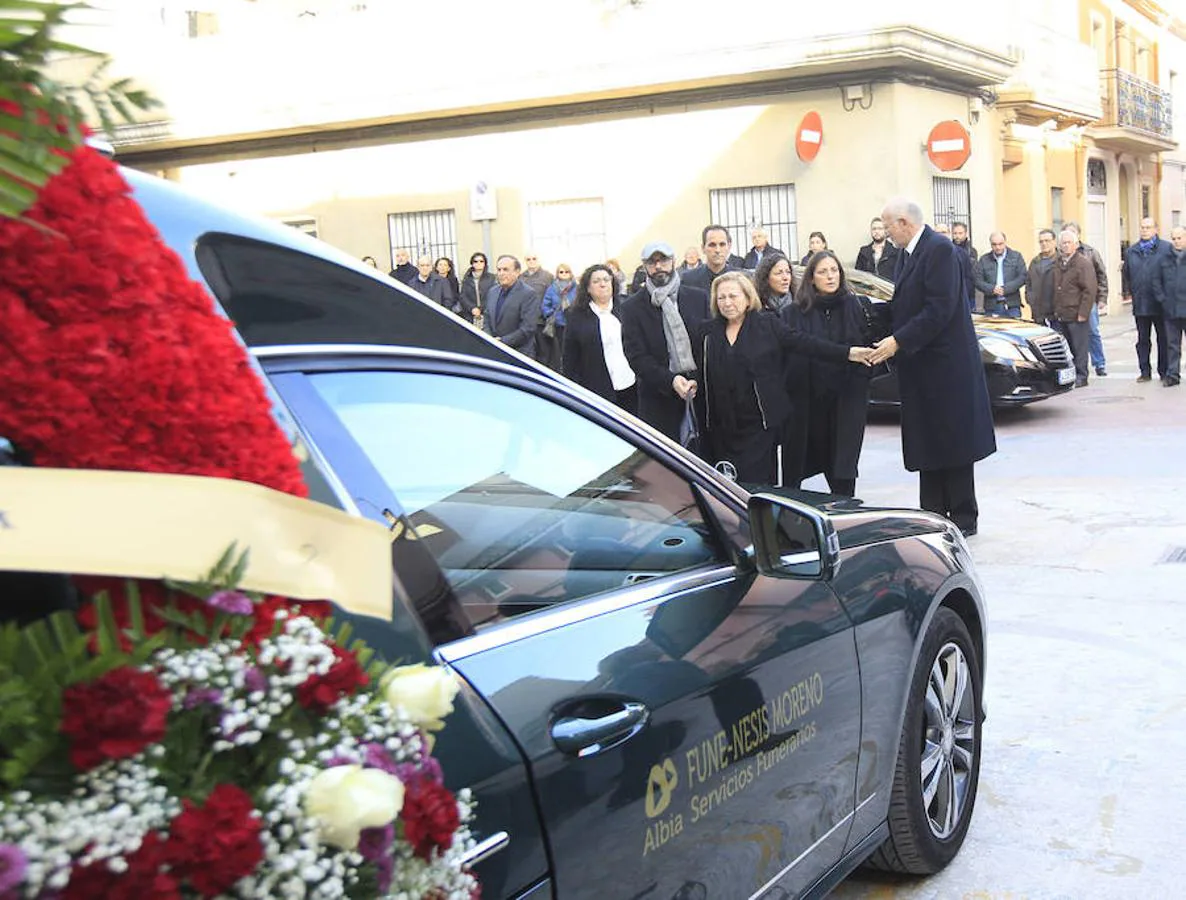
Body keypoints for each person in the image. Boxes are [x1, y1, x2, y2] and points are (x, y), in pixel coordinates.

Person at [868, 198, 996, 538]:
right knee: (929, 442)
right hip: (922, 368)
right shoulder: (908, 255)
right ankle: (934, 513)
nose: (885, 232)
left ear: (904, 223)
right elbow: (904, 305)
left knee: (953, 444)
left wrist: (898, 341)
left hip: (946, 367)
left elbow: (939, 308)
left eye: (888, 225)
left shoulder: (939, 250)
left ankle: (963, 517)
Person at [693, 271, 870, 484]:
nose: (727, 302)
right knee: (725, 488)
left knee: (758, 486)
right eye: (721, 297)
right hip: (721, 428)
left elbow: (805, 343)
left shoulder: (767, 324)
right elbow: (697, 371)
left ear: (748, 298)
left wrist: (847, 353)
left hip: (759, 425)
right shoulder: (706, 332)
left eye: (733, 296)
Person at [781, 251, 873, 496]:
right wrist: (846, 353)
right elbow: (797, 347)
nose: (830, 276)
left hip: (846, 400)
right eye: (822, 271)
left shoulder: (855, 305)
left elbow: (866, 346)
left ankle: (845, 516)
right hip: (808, 400)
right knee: (800, 464)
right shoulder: (794, 312)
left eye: (834, 270)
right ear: (811, 278)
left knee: (843, 467)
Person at [621, 241, 711, 441]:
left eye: (663, 260)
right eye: (652, 262)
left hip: (699, 394)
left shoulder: (699, 298)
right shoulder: (632, 308)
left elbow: (708, 344)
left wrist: (696, 378)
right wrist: (670, 380)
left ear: (673, 261)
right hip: (658, 399)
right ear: (644, 267)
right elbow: (636, 356)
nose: (658, 266)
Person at [562, 264, 638, 414]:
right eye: (596, 281)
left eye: (606, 280)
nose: (602, 284)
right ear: (588, 288)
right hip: (597, 389)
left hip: (631, 386)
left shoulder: (627, 308)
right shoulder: (576, 316)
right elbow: (570, 359)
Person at [1122, 217, 1170, 383]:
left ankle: (1164, 371)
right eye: (1142, 227)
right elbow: (1127, 275)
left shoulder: (1166, 249)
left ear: (1155, 229)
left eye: (1148, 227)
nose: (1144, 230)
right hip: (1141, 303)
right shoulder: (1131, 251)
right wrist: (1133, 292)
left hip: (1161, 304)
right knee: (1143, 340)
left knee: (1163, 339)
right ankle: (1144, 371)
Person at [1051, 229, 1096, 387]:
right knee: (1067, 348)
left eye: (1069, 242)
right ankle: (1069, 376)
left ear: (1076, 245)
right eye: (1063, 243)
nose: (1065, 246)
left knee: (1080, 347)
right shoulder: (1058, 262)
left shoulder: (1083, 263)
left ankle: (1082, 376)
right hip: (1062, 313)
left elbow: (1089, 290)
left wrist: (1083, 313)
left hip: (1077, 313)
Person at [1064, 221, 1108, 376]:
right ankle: (1077, 365)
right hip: (1071, 303)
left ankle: (1099, 363)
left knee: (1092, 331)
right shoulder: (1061, 256)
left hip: (1089, 300)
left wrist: (1102, 297)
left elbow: (1101, 275)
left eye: (1072, 233)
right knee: (1074, 335)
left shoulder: (1090, 252)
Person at [482, 255, 542, 359]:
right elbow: (487, 318)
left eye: (505, 269)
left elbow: (528, 328)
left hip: (519, 354)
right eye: (499, 270)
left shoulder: (528, 294)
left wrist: (502, 342)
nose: (501, 273)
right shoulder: (493, 292)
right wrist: (490, 339)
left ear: (517, 272)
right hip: (495, 353)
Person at [1153, 225, 1186, 387]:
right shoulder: (1164, 259)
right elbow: (1156, 281)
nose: (1176, 241)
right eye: (1174, 238)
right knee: (1172, 345)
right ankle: (1173, 375)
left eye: (1180, 238)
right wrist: (1162, 299)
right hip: (1170, 310)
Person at [973, 231, 1027, 317]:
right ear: (990, 244)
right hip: (991, 306)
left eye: (1000, 244)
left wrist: (1005, 289)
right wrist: (992, 289)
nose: (998, 247)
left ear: (1005, 242)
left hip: (1012, 305)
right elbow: (977, 280)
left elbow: (1022, 277)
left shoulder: (1016, 257)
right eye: (994, 244)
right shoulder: (984, 259)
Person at [538, 263, 577, 370]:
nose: (564, 274)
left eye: (566, 272)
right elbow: (545, 304)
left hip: (573, 323)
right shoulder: (552, 288)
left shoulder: (576, 288)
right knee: (559, 351)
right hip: (558, 324)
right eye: (561, 272)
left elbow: (581, 303)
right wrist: (551, 314)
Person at [681, 225, 743, 292]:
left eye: (722, 244)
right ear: (703, 248)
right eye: (712, 245)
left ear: (729, 247)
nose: (717, 250)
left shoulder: (741, 278)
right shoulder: (688, 279)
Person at [1025, 229, 1058, 326]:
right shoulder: (1035, 262)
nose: (1044, 244)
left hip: (1056, 313)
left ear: (1054, 242)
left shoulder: (1060, 260)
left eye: (1047, 241)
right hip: (1038, 313)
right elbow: (1028, 283)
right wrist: (1030, 299)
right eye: (1041, 241)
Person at [854, 217, 900, 281]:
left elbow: (900, 276)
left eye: (880, 229)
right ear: (871, 231)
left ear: (885, 231)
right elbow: (858, 275)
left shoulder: (895, 252)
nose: (877, 231)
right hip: (868, 289)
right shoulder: (863, 252)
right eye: (874, 229)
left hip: (889, 289)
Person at [459, 252, 495, 325]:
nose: (478, 263)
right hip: (470, 315)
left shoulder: (492, 278)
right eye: (475, 261)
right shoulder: (467, 278)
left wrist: (481, 309)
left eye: (481, 261)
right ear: (472, 264)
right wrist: (472, 308)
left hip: (487, 313)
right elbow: (463, 296)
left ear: (485, 263)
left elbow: (493, 295)